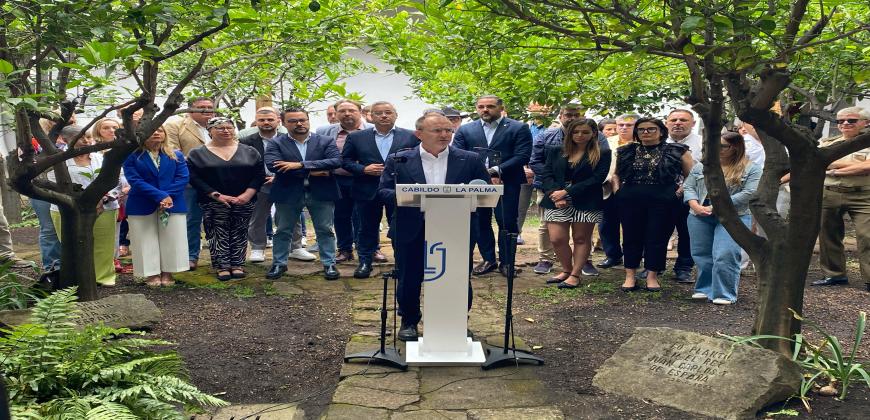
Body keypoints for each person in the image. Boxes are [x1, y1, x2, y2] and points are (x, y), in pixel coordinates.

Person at [378, 113, 490, 341]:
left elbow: (485, 191)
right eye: (437, 130)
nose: (444, 135)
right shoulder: (399, 159)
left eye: (448, 130)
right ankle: (409, 321)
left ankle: (456, 321)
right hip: (411, 227)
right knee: (409, 277)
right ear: (418, 134)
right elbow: (384, 192)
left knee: (458, 277)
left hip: (456, 228)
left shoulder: (470, 159)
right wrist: (417, 196)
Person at [453, 95, 532, 277]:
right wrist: (482, 174)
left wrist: (497, 170)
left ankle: (507, 263)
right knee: (480, 221)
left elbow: (523, 155)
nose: (485, 110)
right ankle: (488, 259)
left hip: (507, 182)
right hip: (476, 183)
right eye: (481, 106)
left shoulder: (518, 128)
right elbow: (457, 154)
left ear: (500, 107)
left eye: (490, 106)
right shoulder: (466, 130)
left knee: (507, 221)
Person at [614, 117, 693, 292]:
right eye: (641, 129)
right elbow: (617, 174)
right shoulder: (626, 150)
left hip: (664, 199)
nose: (645, 132)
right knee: (630, 236)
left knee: (657, 237)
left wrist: (679, 191)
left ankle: (652, 275)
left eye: (651, 129)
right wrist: (617, 191)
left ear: (661, 131)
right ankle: (630, 276)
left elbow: (691, 174)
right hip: (631, 198)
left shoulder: (677, 150)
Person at [341, 101, 418, 278]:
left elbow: (418, 160)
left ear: (395, 115)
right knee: (366, 227)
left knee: (400, 227)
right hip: (366, 188)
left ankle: (402, 263)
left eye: (388, 112)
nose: (383, 116)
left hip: (398, 190)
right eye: (378, 113)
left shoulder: (410, 136)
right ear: (370, 116)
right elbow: (345, 161)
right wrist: (363, 169)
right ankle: (365, 262)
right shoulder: (356, 137)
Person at [265, 108, 342, 281]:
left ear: (308, 120)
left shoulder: (325, 140)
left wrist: (299, 165)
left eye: (302, 120)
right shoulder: (276, 143)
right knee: (283, 230)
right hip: (287, 192)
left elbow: (335, 162)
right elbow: (274, 166)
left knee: (325, 230)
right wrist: (312, 171)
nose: (299, 123)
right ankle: (279, 263)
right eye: (293, 121)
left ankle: (329, 264)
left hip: (321, 192)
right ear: (283, 123)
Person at [683, 132, 760, 304]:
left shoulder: (751, 168)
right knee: (701, 254)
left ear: (736, 147)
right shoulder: (702, 166)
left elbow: (749, 193)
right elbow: (689, 187)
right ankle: (704, 288)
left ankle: (724, 293)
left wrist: (717, 205)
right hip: (700, 214)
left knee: (725, 254)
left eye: (723, 146)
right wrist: (694, 205)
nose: (717, 150)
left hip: (733, 216)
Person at [186, 117, 264, 280]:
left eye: (229, 127)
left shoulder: (249, 151)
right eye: (220, 128)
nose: (226, 131)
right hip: (213, 200)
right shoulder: (197, 153)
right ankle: (222, 265)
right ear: (210, 131)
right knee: (216, 232)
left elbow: (258, 174)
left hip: (244, 199)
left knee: (240, 231)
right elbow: (193, 177)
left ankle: (237, 263)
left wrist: (247, 194)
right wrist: (215, 194)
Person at [538, 119, 611, 289]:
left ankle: (575, 275)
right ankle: (566, 270)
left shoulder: (603, 152)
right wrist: (556, 194)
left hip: (586, 200)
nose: (580, 135)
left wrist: (567, 192)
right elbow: (547, 174)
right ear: (569, 133)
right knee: (557, 239)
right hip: (556, 199)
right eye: (576, 132)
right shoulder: (556, 150)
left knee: (580, 238)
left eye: (585, 132)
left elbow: (597, 179)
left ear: (594, 133)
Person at [49, 125, 125, 287]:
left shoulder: (102, 157)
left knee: (104, 244)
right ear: (65, 140)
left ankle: (103, 277)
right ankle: (78, 279)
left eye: (89, 137)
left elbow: (118, 179)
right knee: (73, 244)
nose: (86, 140)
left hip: (104, 207)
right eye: (81, 137)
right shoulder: (59, 160)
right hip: (68, 209)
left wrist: (103, 198)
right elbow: (54, 184)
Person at [240, 107, 315, 263]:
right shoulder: (246, 141)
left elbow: (297, 160)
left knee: (291, 216)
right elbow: (245, 165)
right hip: (259, 184)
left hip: (286, 182)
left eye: (270, 119)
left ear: (278, 121)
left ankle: (296, 248)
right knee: (258, 217)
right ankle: (257, 248)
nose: (266, 122)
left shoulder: (289, 138)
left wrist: (279, 176)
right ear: (256, 122)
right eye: (261, 120)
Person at [122, 126, 190, 287]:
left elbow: (183, 177)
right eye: (151, 130)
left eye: (160, 130)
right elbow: (135, 180)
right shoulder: (133, 156)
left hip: (172, 202)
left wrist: (167, 196)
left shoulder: (176, 155)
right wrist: (160, 196)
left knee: (172, 237)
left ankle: (168, 272)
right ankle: (151, 273)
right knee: (144, 239)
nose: (156, 133)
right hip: (142, 202)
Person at [813, 106, 870, 287]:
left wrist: (834, 168)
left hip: (863, 195)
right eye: (840, 121)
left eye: (851, 120)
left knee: (867, 236)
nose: (845, 124)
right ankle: (834, 274)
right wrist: (849, 166)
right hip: (829, 193)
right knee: (828, 234)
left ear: (865, 122)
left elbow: (866, 167)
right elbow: (815, 161)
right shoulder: (828, 143)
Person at [527, 104, 585, 275]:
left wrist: (574, 187)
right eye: (568, 115)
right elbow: (535, 161)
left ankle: (584, 261)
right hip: (549, 187)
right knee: (547, 225)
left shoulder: (594, 136)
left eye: (576, 115)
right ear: (560, 116)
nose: (573, 118)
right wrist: (554, 186)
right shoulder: (546, 136)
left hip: (581, 188)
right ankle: (546, 259)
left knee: (582, 225)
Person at [316, 99, 374, 263]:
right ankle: (344, 249)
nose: (347, 114)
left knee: (366, 215)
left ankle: (371, 249)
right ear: (336, 113)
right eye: (342, 111)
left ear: (360, 112)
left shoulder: (372, 129)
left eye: (351, 110)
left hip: (365, 178)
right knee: (341, 215)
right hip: (337, 179)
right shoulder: (325, 131)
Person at [165, 97, 215, 270]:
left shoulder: (220, 125)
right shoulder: (175, 125)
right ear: (189, 110)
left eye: (210, 107)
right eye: (202, 107)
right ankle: (190, 256)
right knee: (191, 220)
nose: (207, 110)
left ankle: (220, 257)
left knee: (217, 220)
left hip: (218, 181)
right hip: (189, 180)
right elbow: (172, 152)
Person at [663, 109, 702, 283]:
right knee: (658, 231)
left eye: (683, 120)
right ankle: (654, 267)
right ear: (667, 123)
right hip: (662, 195)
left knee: (688, 233)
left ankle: (684, 268)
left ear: (693, 123)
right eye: (674, 120)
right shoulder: (659, 142)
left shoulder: (703, 143)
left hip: (694, 195)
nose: (678, 123)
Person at [596, 113, 639, 270]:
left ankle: (633, 256)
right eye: (620, 125)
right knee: (606, 224)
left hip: (634, 191)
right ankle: (612, 255)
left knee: (633, 225)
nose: (623, 128)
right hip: (608, 189)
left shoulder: (643, 143)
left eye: (629, 125)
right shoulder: (607, 143)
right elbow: (599, 165)